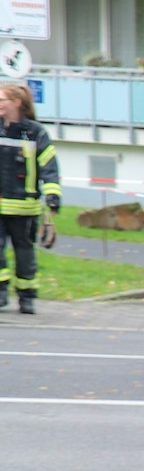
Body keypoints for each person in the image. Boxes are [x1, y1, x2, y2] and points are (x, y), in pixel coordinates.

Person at [0, 81, 61, 315]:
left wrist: (53, 197)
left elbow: (49, 166)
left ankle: (26, 297)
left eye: (2, 100)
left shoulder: (35, 133)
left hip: (25, 208)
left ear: (16, 103)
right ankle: (1, 293)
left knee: (24, 253)